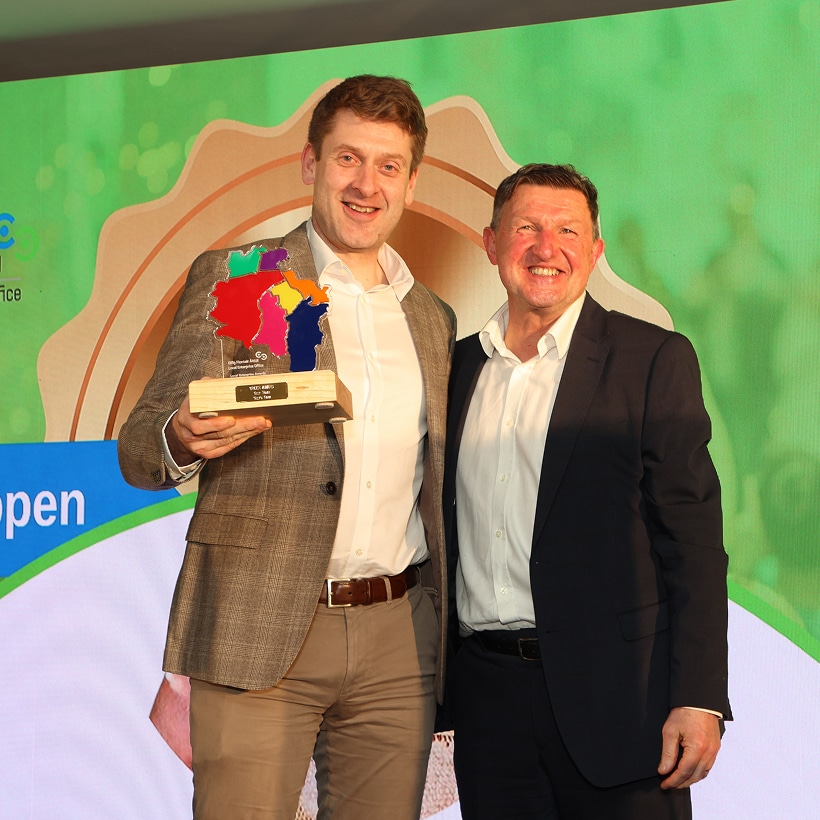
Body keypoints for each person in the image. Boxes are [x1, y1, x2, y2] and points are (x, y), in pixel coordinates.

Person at [118, 74, 455, 820]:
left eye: (389, 165)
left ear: (411, 183)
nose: (366, 184)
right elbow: (140, 449)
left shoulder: (432, 318)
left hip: (398, 636)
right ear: (311, 164)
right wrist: (181, 437)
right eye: (348, 159)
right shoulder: (243, 277)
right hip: (257, 620)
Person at [443, 163, 731, 819]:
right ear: (491, 243)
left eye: (568, 231)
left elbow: (692, 542)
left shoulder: (652, 360)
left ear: (595, 250)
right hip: (488, 710)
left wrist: (698, 696)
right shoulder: (454, 367)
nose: (547, 248)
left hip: (623, 705)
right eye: (527, 228)